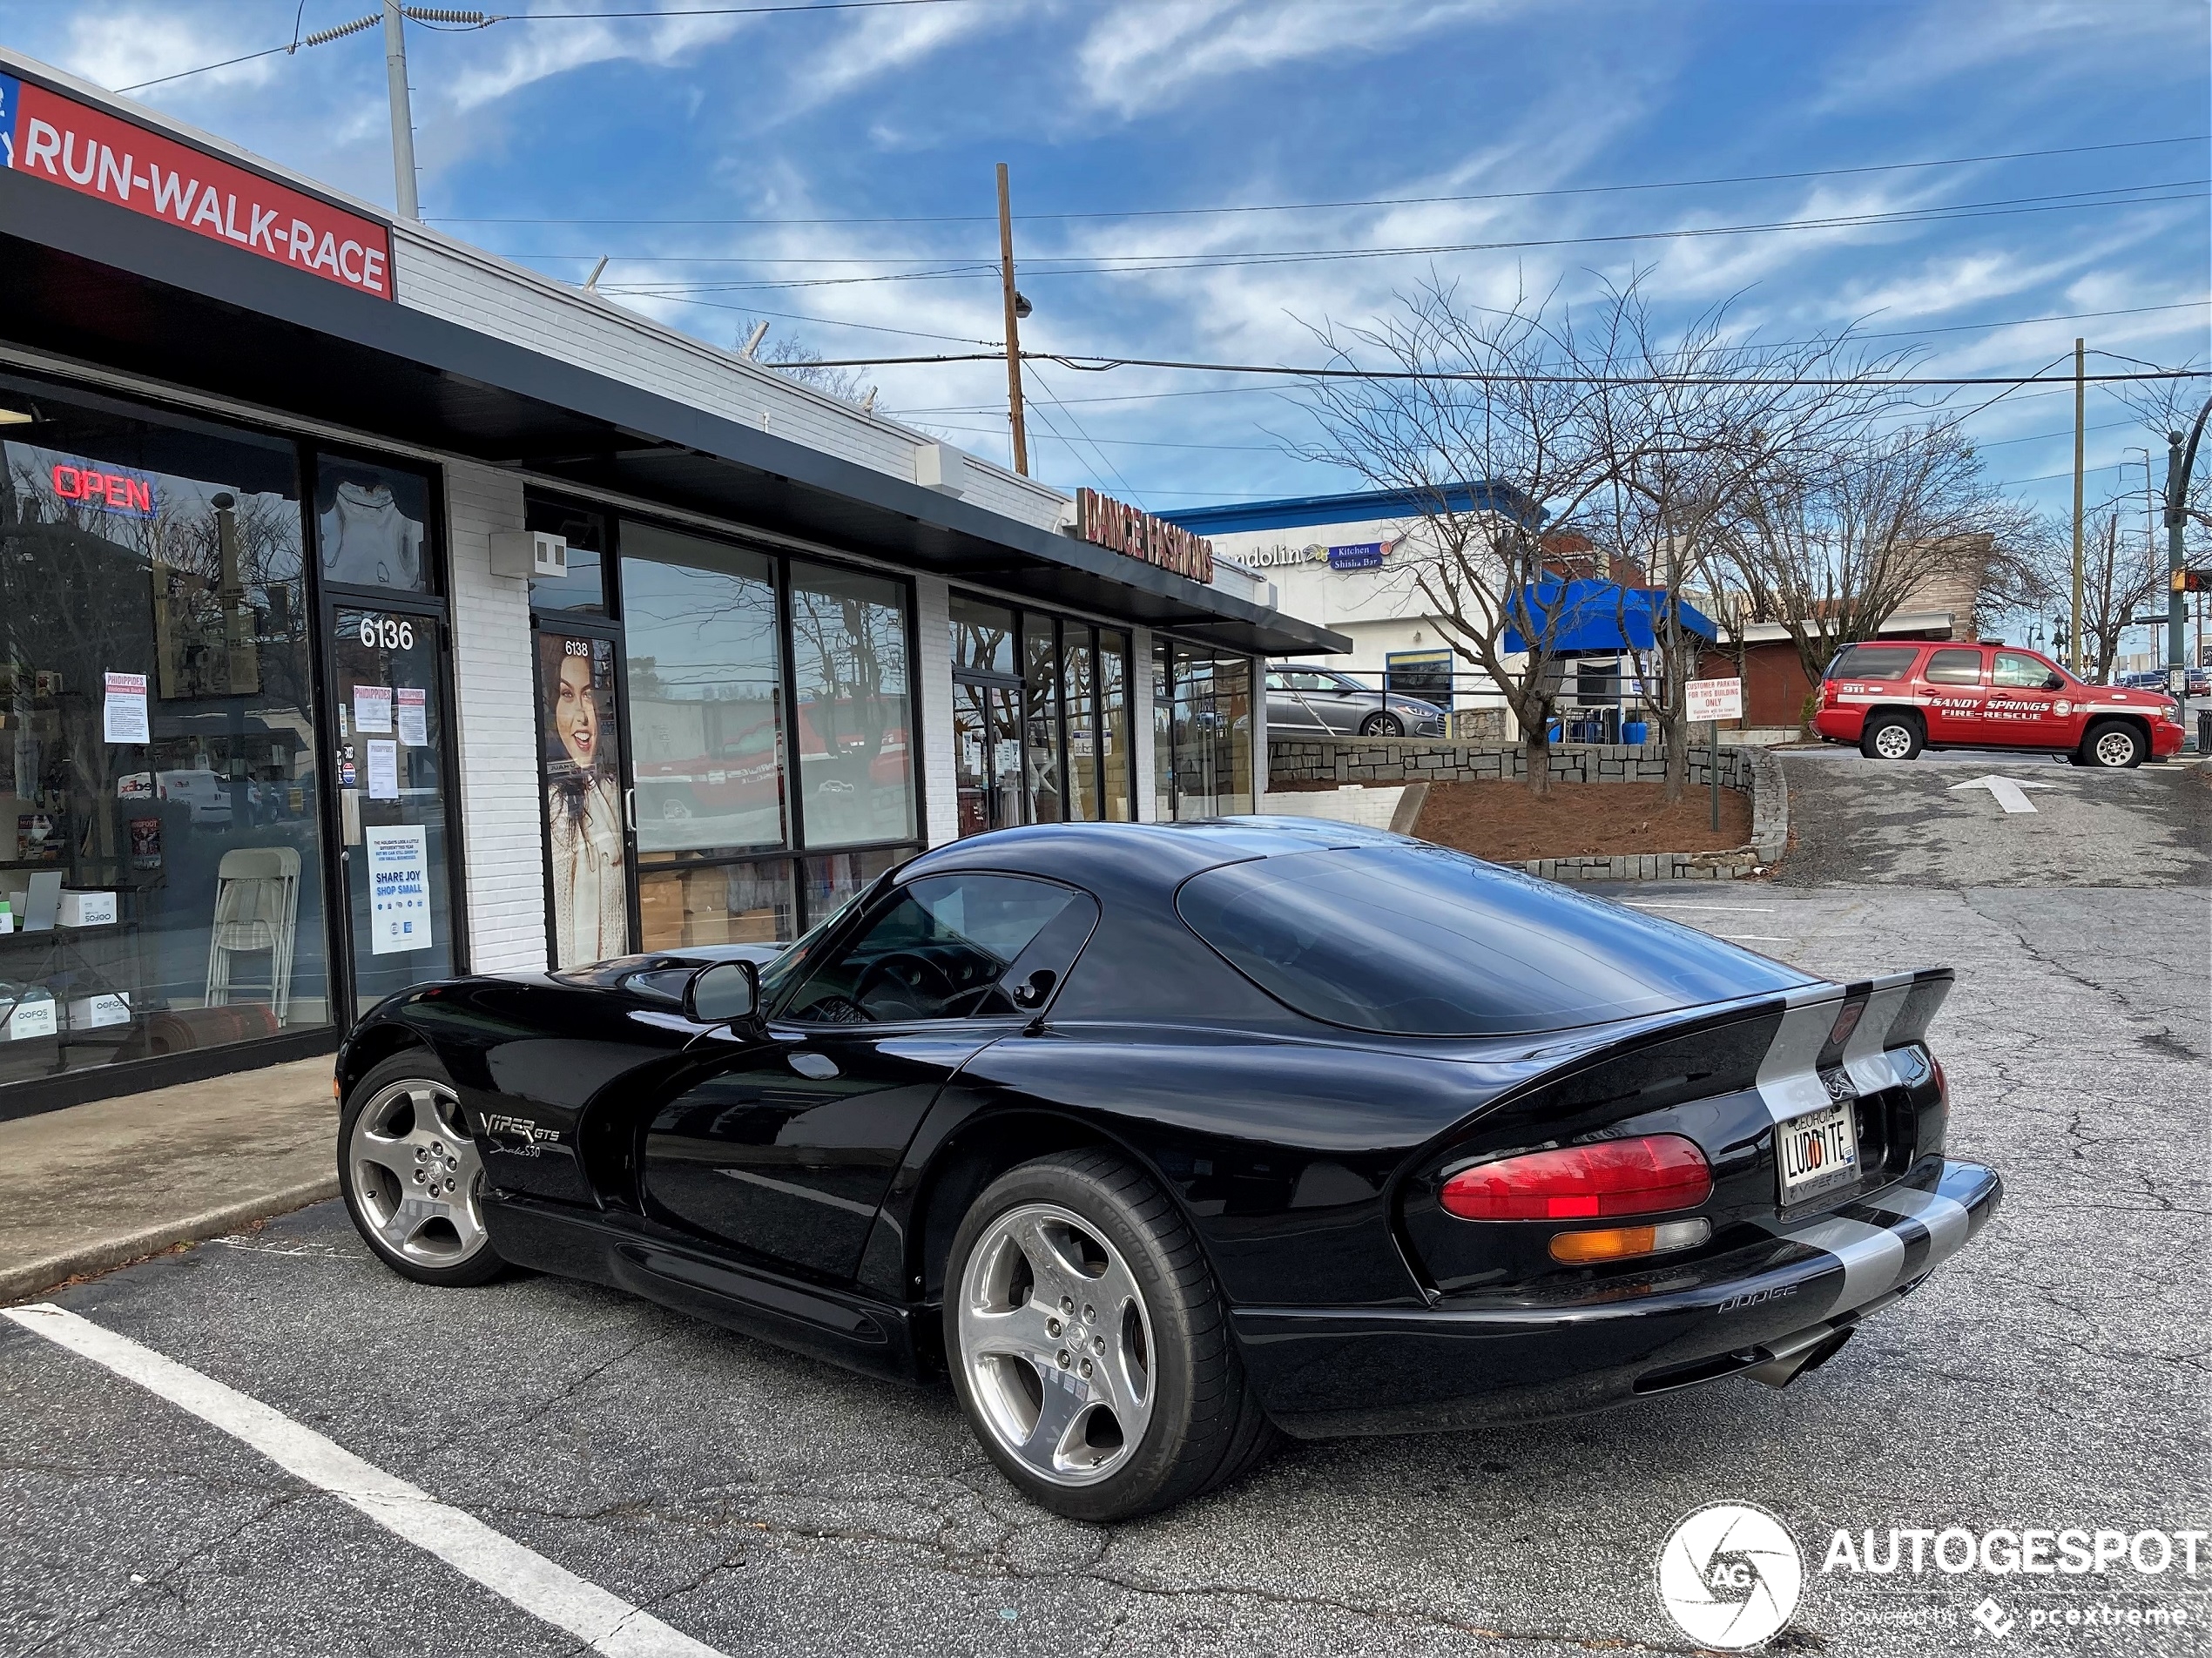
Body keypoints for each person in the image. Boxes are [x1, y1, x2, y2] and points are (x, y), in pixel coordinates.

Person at [543, 645, 625, 966]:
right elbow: (563, 920)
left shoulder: (612, 789)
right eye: (567, 694)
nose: (581, 715)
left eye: (589, 695)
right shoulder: (555, 803)